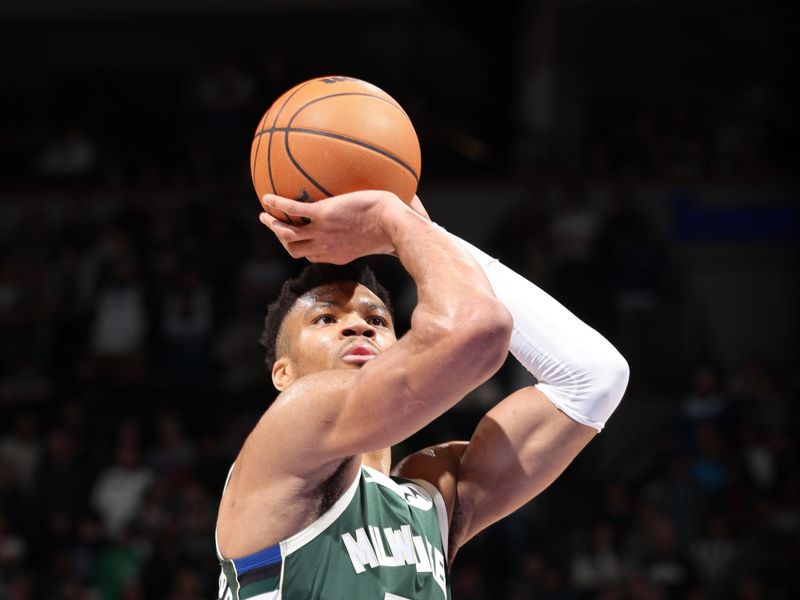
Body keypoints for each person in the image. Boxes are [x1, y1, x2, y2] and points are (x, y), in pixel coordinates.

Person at [214, 191, 630, 599]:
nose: (359, 327)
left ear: (402, 349)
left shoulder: (432, 493)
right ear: (283, 374)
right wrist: (391, 220)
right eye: (325, 317)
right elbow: (478, 330)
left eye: (377, 319)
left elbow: (594, 378)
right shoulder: (289, 431)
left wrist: (425, 233)